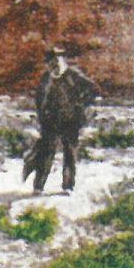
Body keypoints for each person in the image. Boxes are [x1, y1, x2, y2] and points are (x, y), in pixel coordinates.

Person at [23, 44, 99, 193]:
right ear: (48, 64)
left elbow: (93, 89)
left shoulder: (73, 75)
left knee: (70, 153)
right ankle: (38, 186)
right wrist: (42, 117)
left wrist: (82, 106)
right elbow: (39, 99)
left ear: (63, 60)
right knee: (46, 153)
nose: (55, 65)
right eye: (52, 63)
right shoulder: (46, 78)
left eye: (58, 61)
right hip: (50, 122)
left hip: (70, 121)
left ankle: (68, 186)